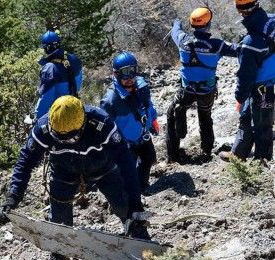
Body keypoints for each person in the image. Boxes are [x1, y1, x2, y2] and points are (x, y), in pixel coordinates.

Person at [1, 95, 151, 242]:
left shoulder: (101, 123)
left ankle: (142, 240)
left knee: (125, 206)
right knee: (59, 221)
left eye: (71, 138)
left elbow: (126, 162)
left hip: (103, 168)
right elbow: (25, 161)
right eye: (59, 138)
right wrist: (14, 196)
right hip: (64, 171)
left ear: (83, 124)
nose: (66, 142)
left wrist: (135, 202)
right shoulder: (42, 128)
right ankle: (60, 253)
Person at [166, 7, 238, 163]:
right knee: (205, 117)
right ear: (209, 24)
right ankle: (206, 149)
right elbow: (239, 50)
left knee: (172, 113)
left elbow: (175, 30)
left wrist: (176, 23)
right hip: (207, 91)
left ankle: (173, 155)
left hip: (187, 90)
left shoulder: (183, 40)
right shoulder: (217, 45)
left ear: (192, 24)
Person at [219, 0, 274, 161]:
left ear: (240, 10)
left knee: (263, 126)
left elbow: (245, 76)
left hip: (263, 86)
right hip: (267, 82)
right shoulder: (272, 20)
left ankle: (262, 163)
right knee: (246, 117)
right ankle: (238, 153)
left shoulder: (250, 43)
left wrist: (239, 97)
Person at [100, 51, 159, 192]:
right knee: (127, 171)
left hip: (143, 137)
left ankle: (142, 186)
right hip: (125, 144)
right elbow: (104, 127)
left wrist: (153, 121)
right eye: (125, 73)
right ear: (116, 74)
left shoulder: (141, 88)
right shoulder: (110, 100)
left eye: (132, 71)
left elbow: (148, 106)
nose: (130, 78)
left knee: (149, 159)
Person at [33, 31, 83, 119]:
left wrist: (37, 118)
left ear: (45, 48)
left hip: (59, 113)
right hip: (74, 105)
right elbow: (78, 83)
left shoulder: (49, 69)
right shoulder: (74, 59)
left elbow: (45, 99)